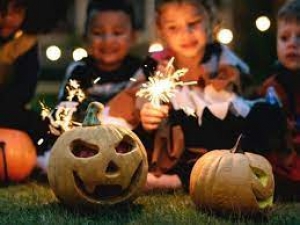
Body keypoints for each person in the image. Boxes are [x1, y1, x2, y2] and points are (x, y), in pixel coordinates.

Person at [132, 0, 252, 191]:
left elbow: (237, 83)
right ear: (161, 30)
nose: (185, 34)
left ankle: (179, 180)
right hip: (171, 136)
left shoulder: (220, 56)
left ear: (210, 20)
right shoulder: (155, 63)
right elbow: (136, 92)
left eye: (193, 24)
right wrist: (145, 111)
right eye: (173, 27)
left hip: (210, 130)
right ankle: (165, 172)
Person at [0, 0, 68, 157]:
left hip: (8, 110)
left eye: (17, 10)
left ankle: (43, 158)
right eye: (2, 9)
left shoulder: (25, 43)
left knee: (44, 128)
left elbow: (25, 91)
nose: (8, 18)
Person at [57, 0, 142, 125]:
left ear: (133, 37)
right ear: (85, 37)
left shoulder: (140, 70)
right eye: (98, 33)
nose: (108, 41)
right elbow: (65, 112)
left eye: (117, 33)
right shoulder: (79, 71)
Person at [254, 0, 300, 200]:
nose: (292, 43)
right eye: (284, 38)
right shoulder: (271, 87)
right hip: (283, 160)